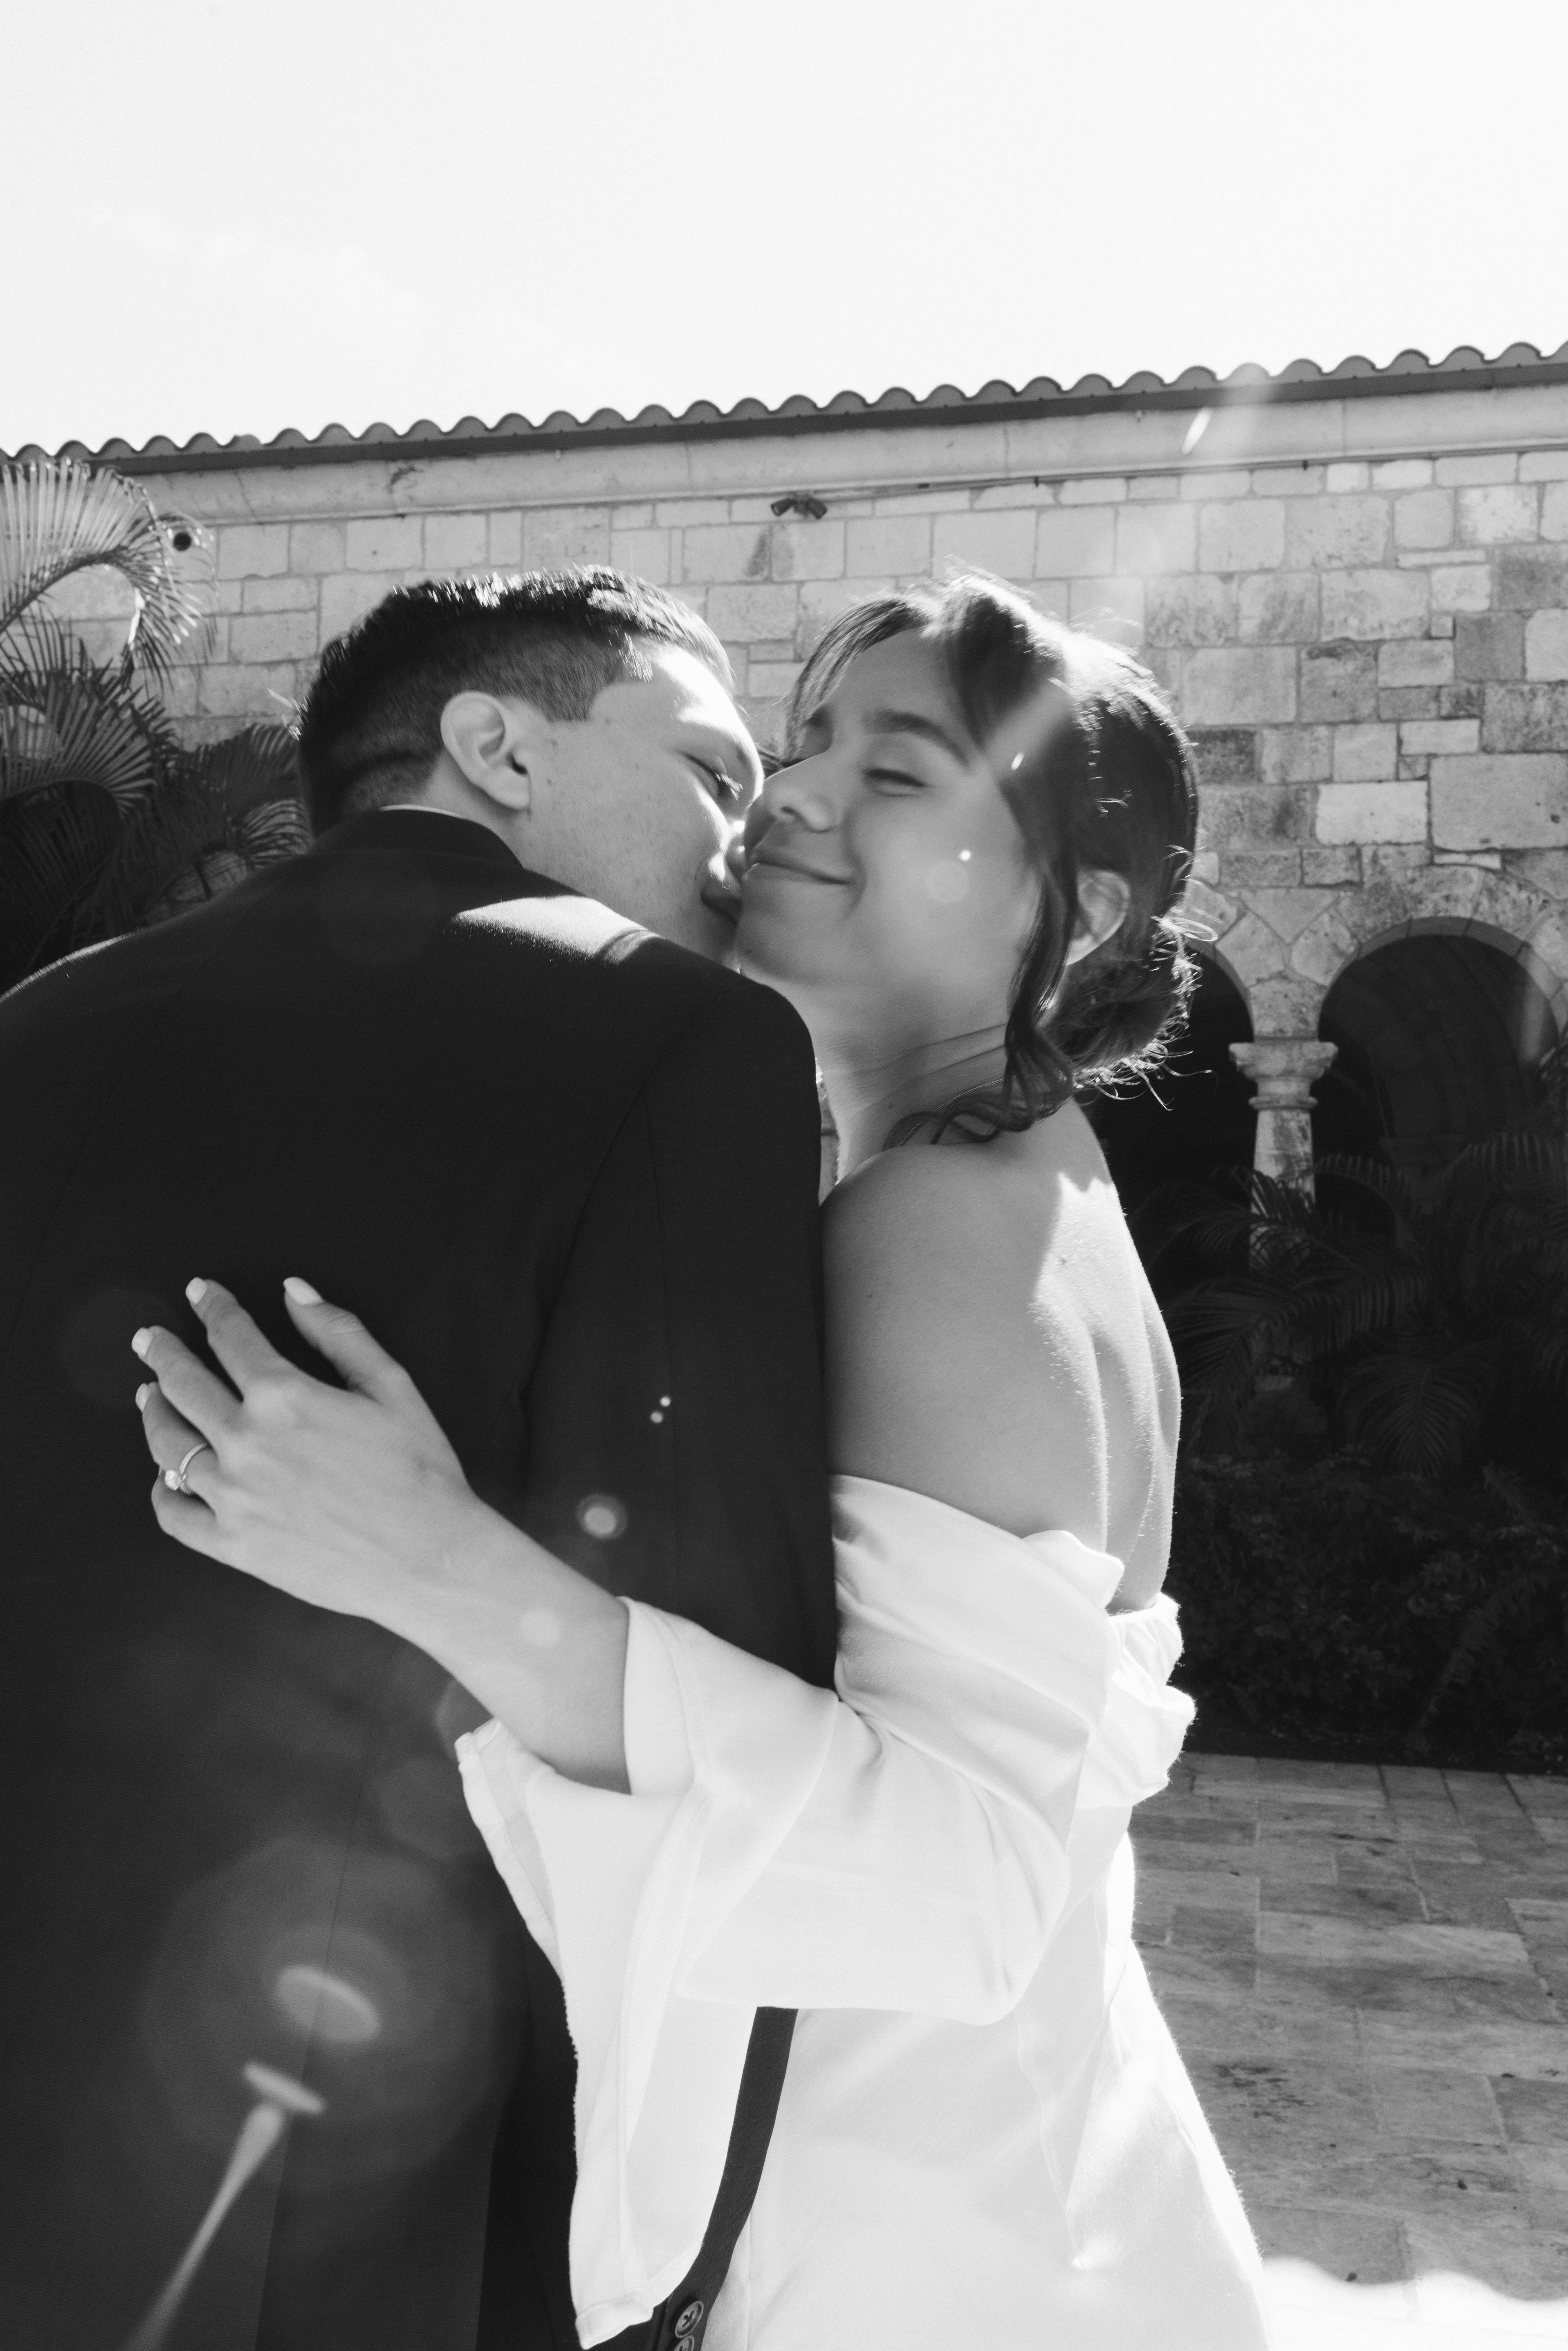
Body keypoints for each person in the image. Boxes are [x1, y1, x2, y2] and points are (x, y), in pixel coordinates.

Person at [134, 576, 1275, 2349]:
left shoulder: (941, 1233)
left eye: (893, 777)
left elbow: (963, 1885)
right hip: (1000, 2182)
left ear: (1083, 905)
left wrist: (422, 1557)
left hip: (927, 2252)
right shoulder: (1002, 1192)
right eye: (801, 744)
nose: (792, 800)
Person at [0, 571, 838, 2351]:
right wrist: (682, 2245)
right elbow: (723, 1659)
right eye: (710, 768)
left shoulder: (41, 1020)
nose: (744, 840)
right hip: (392, 2139)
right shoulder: (683, 1040)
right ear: (494, 745)